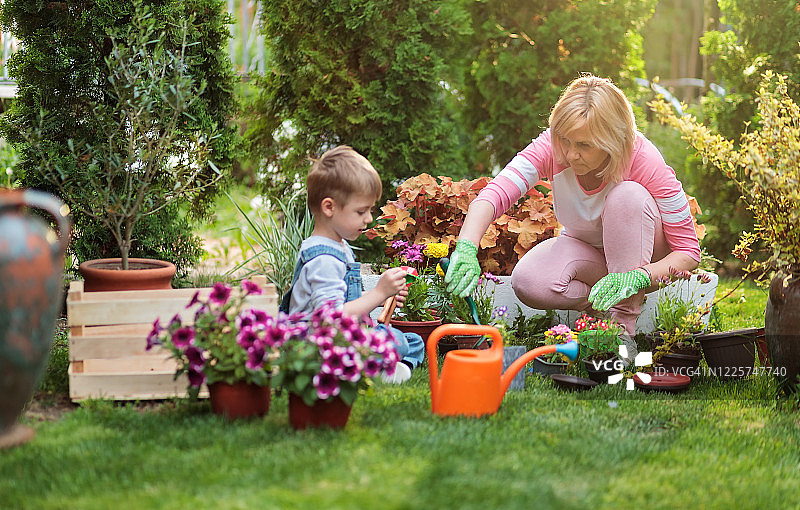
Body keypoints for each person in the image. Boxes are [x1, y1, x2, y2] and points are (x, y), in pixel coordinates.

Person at [445, 74, 700, 342]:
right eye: (565, 140)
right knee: (529, 281)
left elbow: (689, 252)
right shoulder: (552, 146)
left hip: (643, 263)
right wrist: (466, 247)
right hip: (591, 257)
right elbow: (495, 193)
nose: (569, 154)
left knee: (627, 196)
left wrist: (639, 277)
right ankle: (601, 310)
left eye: (584, 145)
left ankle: (621, 331)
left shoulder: (643, 159)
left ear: (612, 141)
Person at [279, 145, 425, 383]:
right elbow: (331, 320)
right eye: (361, 211)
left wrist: (382, 297)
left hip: (342, 339)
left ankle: (389, 368)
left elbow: (344, 299)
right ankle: (379, 370)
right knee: (397, 342)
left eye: (369, 210)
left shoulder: (338, 246)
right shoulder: (324, 260)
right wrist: (379, 292)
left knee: (413, 341)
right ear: (329, 207)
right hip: (316, 349)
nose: (369, 218)